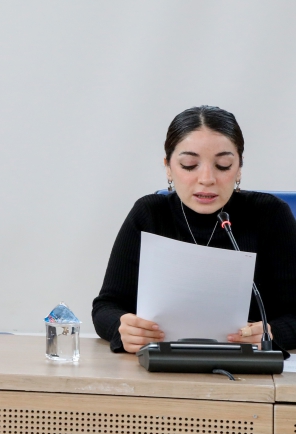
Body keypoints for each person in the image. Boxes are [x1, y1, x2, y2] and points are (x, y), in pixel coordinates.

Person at [93, 106, 296, 353]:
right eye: (190, 165)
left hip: (250, 371)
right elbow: (106, 307)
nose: (207, 178)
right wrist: (122, 328)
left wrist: (273, 333)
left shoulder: (271, 215)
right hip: (162, 366)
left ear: (239, 167)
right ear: (168, 167)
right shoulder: (149, 214)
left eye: (223, 165)